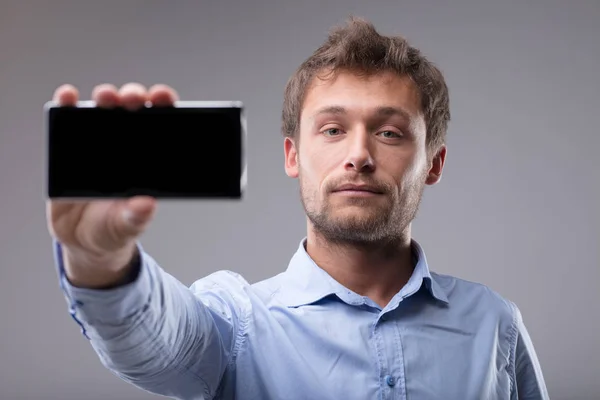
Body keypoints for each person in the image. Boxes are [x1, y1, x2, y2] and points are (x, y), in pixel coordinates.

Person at [47, 17, 549, 400]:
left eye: (390, 132)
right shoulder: (234, 321)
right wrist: (99, 261)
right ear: (293, 155)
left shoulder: (494, 323)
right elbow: (153, 342)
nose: (359, 154)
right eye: (332, 129)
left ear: (433, 164)